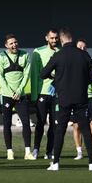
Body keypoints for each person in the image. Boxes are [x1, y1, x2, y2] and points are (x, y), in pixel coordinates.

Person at [41, 28, 92, 171]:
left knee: (60, 130)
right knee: (85, 129)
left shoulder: (58, 55)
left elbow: (43, 73)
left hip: (64, 98)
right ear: (72, 38)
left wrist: (56, 78)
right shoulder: (84, 55)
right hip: (81, 98)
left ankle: (56, 163)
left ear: (60, 39)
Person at [0, 34, 34, 160]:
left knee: (26, 123)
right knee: (7, 124)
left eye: (15, 42)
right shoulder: (1, 56)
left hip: (20, 96)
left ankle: (28, 152)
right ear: (6, 45)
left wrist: (19, 91)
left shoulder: (25, 55)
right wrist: (10, 92)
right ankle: (9, 151)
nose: (14, 45)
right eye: (11, 43)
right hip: (6, 96)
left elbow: (26, 75)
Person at [30, 28, 59, 160]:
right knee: (40, 122)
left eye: (56, 38)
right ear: (46, 38)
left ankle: (49, 151)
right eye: (52, 38)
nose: (54, 40)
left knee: (54, 124)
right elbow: (35, 74)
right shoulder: (38, 51)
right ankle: (36, 149)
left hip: (56, 95)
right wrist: (34, 96)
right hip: (42, 93)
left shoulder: (61, 52)